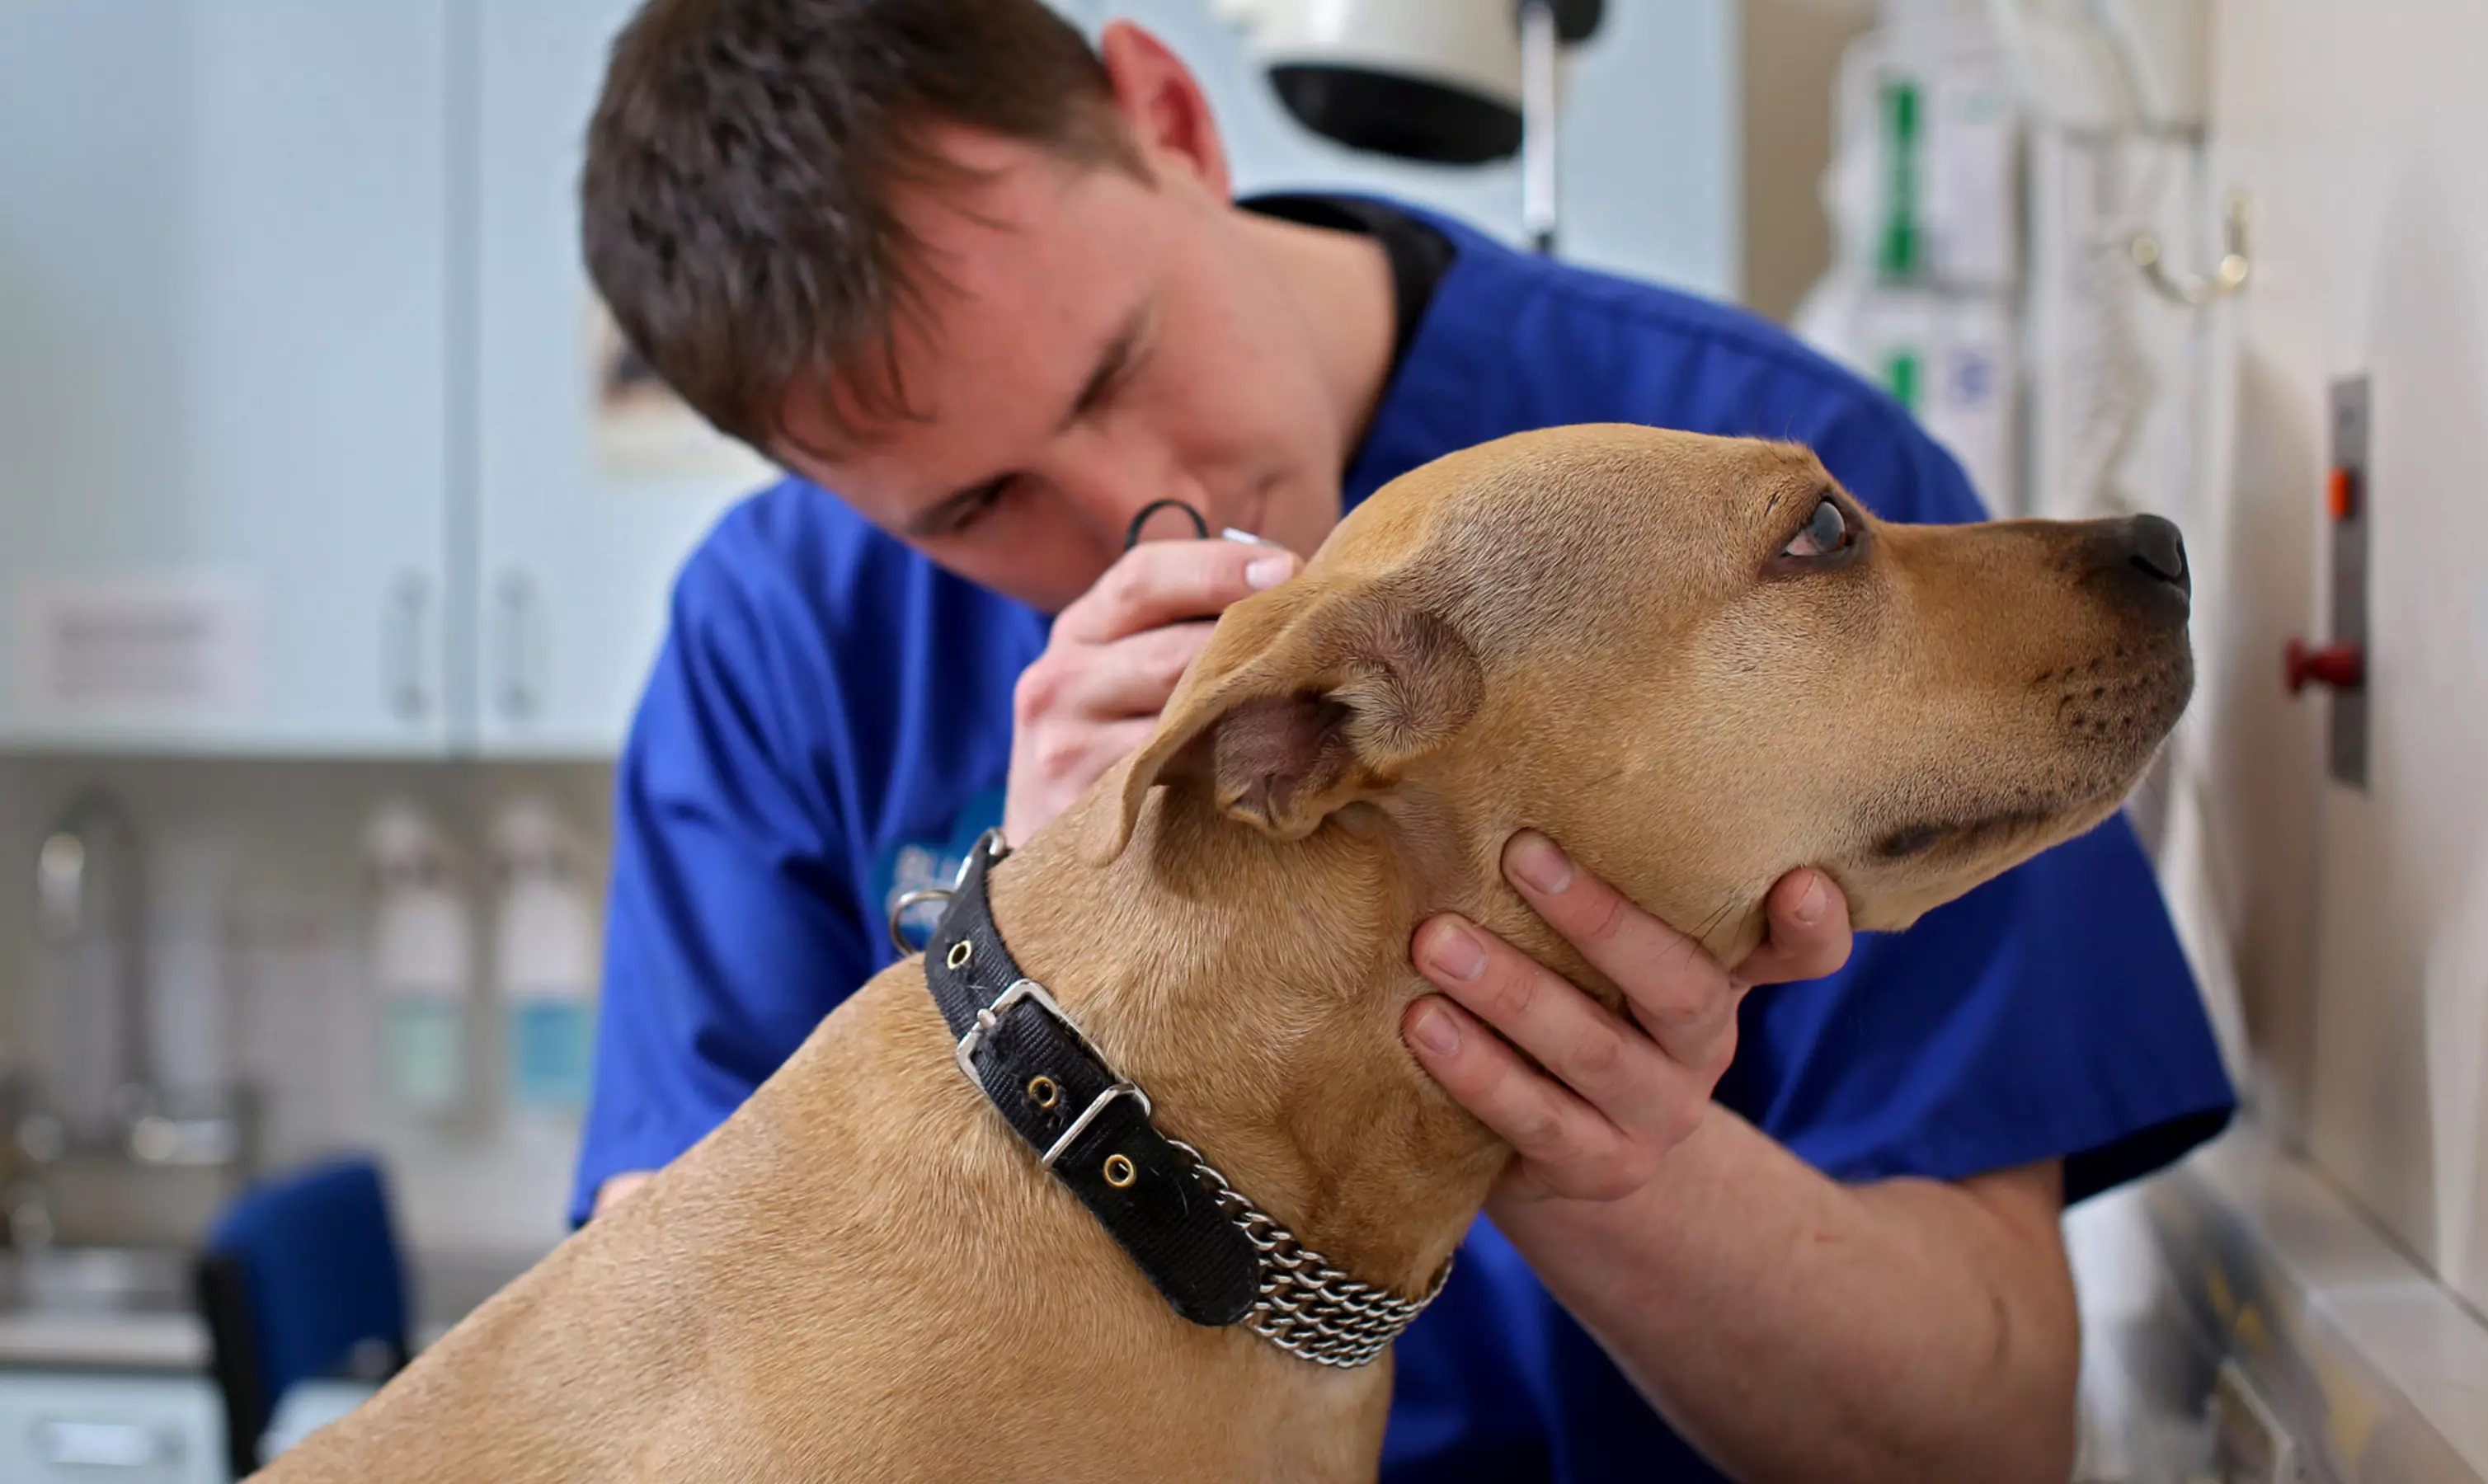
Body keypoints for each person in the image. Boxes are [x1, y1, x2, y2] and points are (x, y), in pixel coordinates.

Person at [568, 2, 2234, 1478]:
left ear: (1171, 116)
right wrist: (1032, 993)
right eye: (975, 504)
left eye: (1124, 359)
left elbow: (1990, 1431)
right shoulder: (781, 641)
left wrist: (1601, 1155)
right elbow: (648, 1371)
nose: (1140, 502)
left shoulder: (1782, 503)